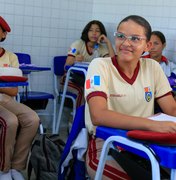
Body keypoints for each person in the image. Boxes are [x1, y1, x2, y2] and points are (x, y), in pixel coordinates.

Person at [84, 15, 176, 179]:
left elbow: (172, 109)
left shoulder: (153, 67)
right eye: (120, 36)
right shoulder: (100, 65)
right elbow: (98, 115)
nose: (126, 43)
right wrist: (152, 125)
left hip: (145, 144)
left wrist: (152, 128)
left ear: (147, 46)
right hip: (107, 144)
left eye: (135, 38)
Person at [0, 16, 40, 180]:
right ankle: (3, 169)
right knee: (10, 121)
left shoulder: (11, 57)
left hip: (6, 98)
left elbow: (13, 90)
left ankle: (16, 167)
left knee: (32, 119)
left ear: (3, 35)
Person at [61, 20, 115, 109]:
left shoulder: (101, 48)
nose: (94, 33)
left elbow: (112, 62)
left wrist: (108, 42)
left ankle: (93, 118)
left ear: (102, 34)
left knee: (103, 91)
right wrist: (74, 59)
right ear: (86, 32)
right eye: (91, 30)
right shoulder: (78, 44)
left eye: (97, 31)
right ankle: (76, 120)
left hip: (89, 80)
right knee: (83, 91)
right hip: (71, 79)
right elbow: (66, 65)